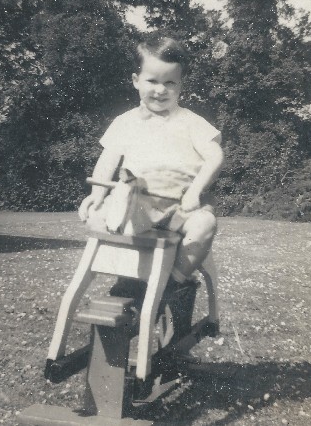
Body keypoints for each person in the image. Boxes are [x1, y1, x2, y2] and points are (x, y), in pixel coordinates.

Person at [78, 34, 224, 343]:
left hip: (180, 206)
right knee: (101, 216)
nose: (160, 90)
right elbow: (108, 161)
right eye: (152, 80)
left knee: (205, 224)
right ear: (136, 80)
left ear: (181, 85)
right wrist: (96, 195)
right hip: (138, 207)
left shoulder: (191, 122)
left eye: (170, 83)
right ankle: (132, 285)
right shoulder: (125, 122)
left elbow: (215, 156)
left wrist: (195, 191)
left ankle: (171, 284)